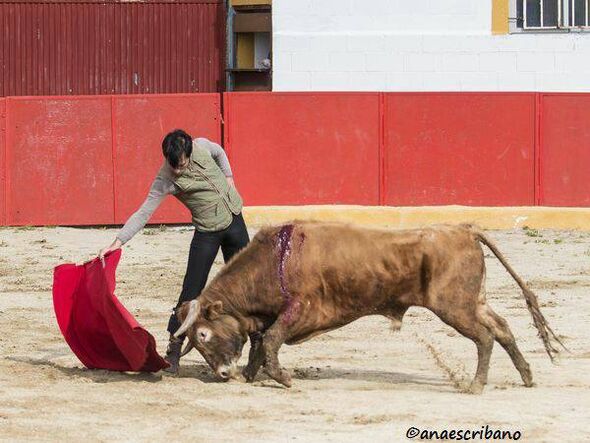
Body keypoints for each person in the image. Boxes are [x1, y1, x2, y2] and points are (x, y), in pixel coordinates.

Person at [99, 129, 249, 374]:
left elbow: (220, 152)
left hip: (235, 220)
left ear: (190, 152)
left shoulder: (201, 146)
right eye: (173, 165)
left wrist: (229, 178)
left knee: (247, 286)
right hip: (207, 232)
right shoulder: (165, 179)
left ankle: (257, 346)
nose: (178, 170)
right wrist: (117, 242)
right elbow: (143, 212)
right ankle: (175, 346)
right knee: (191, 291)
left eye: (181, 165)